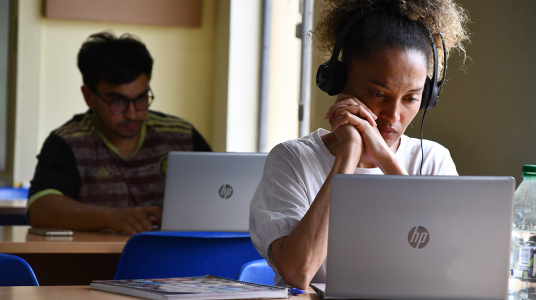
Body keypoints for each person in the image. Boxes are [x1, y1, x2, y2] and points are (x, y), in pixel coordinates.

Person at [249, 0, 470, 289]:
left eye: (411, 98)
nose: (393, 115)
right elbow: (298, 272)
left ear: (428, 96)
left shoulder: (433, 161)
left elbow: (451, 266)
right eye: (378, 93)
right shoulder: (292, 160)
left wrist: (386, 161)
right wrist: (348, 156)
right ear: (338, 81)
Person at [27, 32, 212, 236]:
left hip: (178, 259)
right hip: (94, 265)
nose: (132, 114)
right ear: (89, 96)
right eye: (117, 101)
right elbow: (41, 208)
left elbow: (221, 194)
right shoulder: (67, 142)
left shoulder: (181, 135)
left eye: (141, 99)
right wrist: (111, 217)